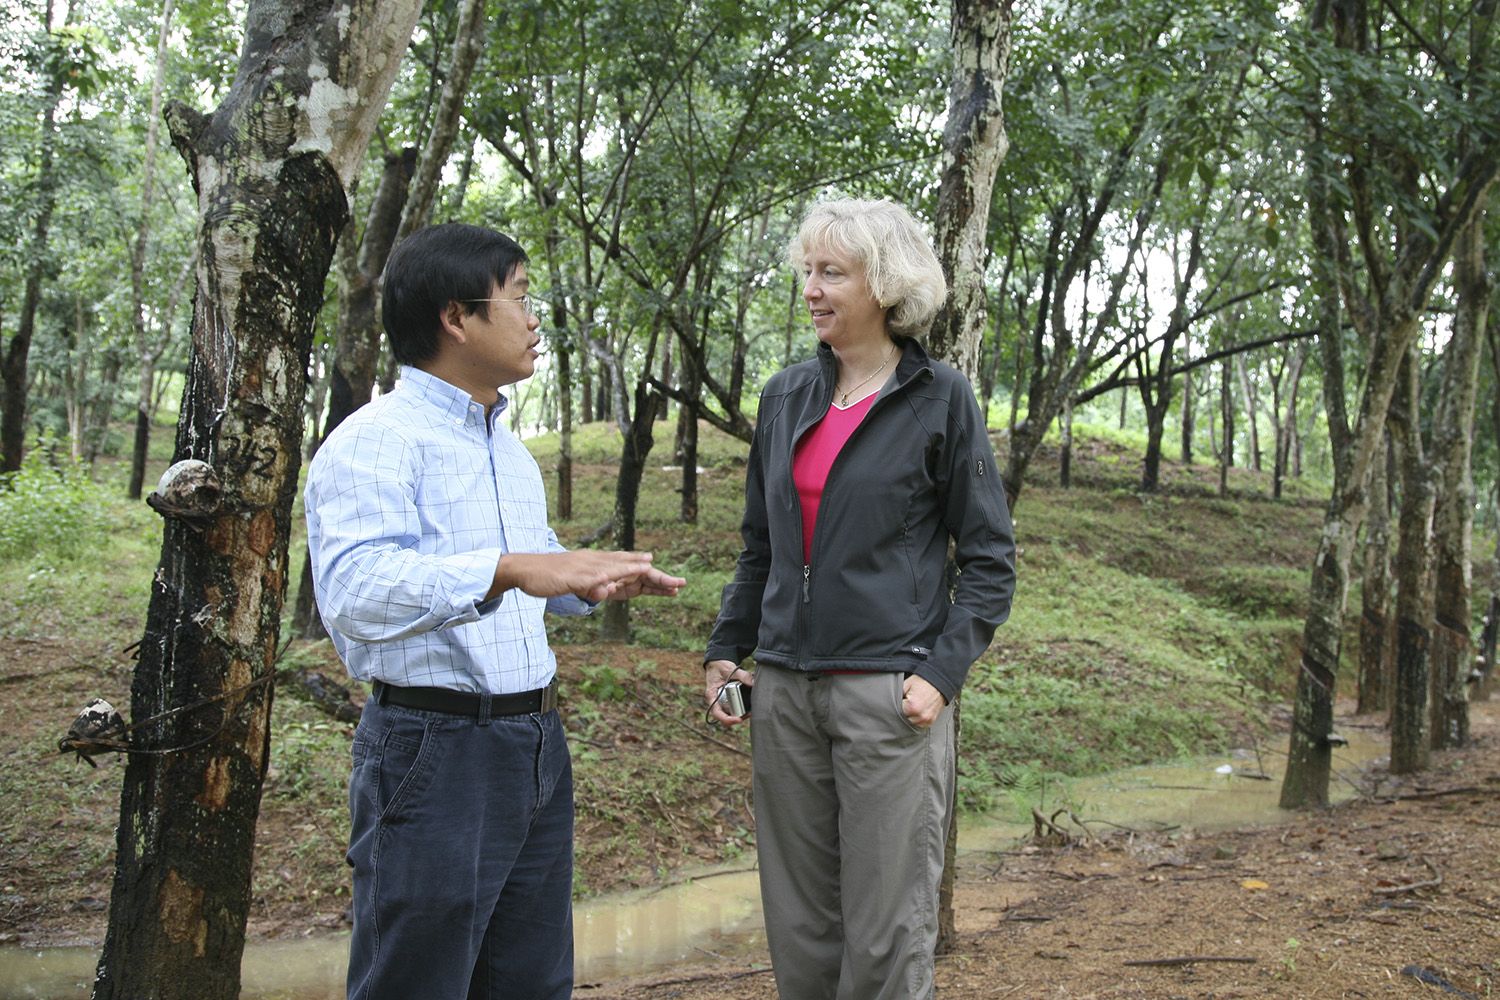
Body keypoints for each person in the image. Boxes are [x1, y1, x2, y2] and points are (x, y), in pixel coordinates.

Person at [304, 222, 685, 1000]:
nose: (534, 317)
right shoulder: (373, 442)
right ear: (457, 317)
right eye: (518, 298)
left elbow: (528, 567)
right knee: (418, 981)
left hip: (534, 743)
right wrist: (511, 568)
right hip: (432, 749)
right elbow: (356, 592)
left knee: (529, 980)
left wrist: (586, 583)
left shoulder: (507, 450)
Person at [703, 198, 1016, 1000]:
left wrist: (939, 676)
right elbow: (760, 547)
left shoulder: (939, 398)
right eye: (807, 270)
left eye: (831, 272)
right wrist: (724, 650)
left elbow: (988, 558)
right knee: (802, 930)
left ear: (882, 284)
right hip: (783, 691)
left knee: (884, 933)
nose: (811, 287)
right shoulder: (785, 398)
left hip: (887, 696)